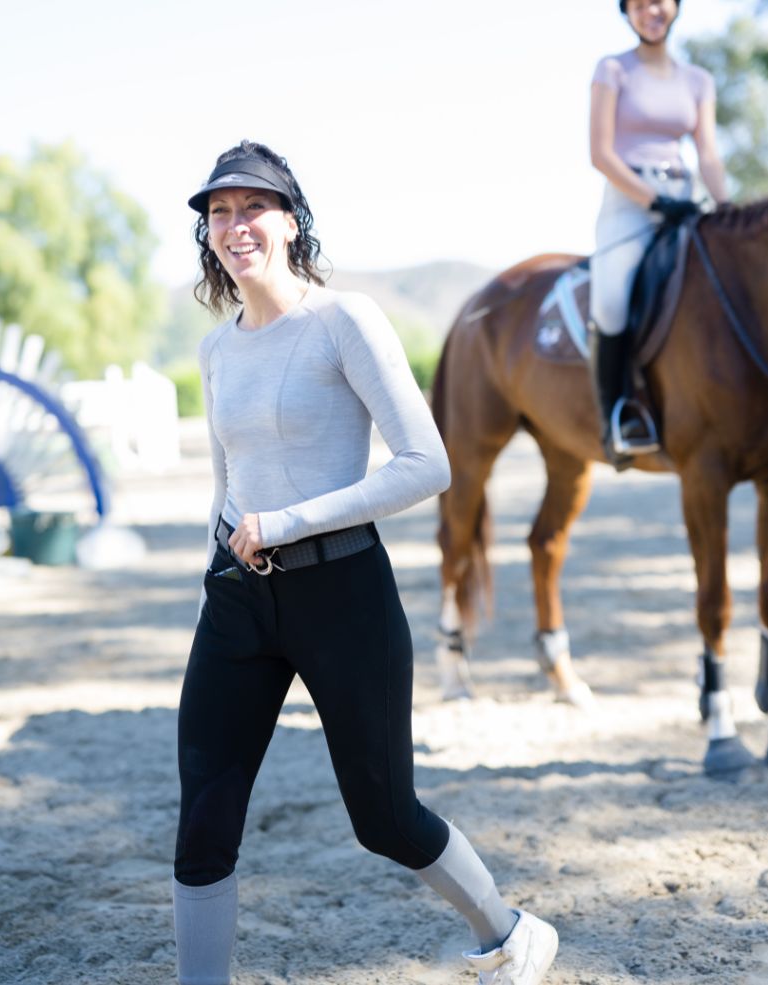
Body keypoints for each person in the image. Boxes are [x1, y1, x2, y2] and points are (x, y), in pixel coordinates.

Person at [172, 139, 559, 985]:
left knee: (383, 817)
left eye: (253, 207)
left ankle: (508, 930)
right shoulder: (216, 349)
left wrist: (286, 520)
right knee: (202, 818)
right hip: (238, 602)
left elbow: (426, 464)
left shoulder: (343, 321)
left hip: (342, 593)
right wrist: (216, 571)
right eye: (219, 212)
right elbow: (225, 479)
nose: (235, 225)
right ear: (206, 233)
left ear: (291, 220)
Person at [589, 0, 728, 466]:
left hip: (685, 200)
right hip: (629, 205)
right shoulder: (613, 70)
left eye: (661, 1)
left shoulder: (698, 81)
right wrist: (652, 200)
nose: (652, 10)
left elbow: (707, 153)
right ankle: (618, 417)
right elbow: (601, 154)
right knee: (610, 300)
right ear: (626, 12)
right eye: (640, 3)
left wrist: (724, 210)